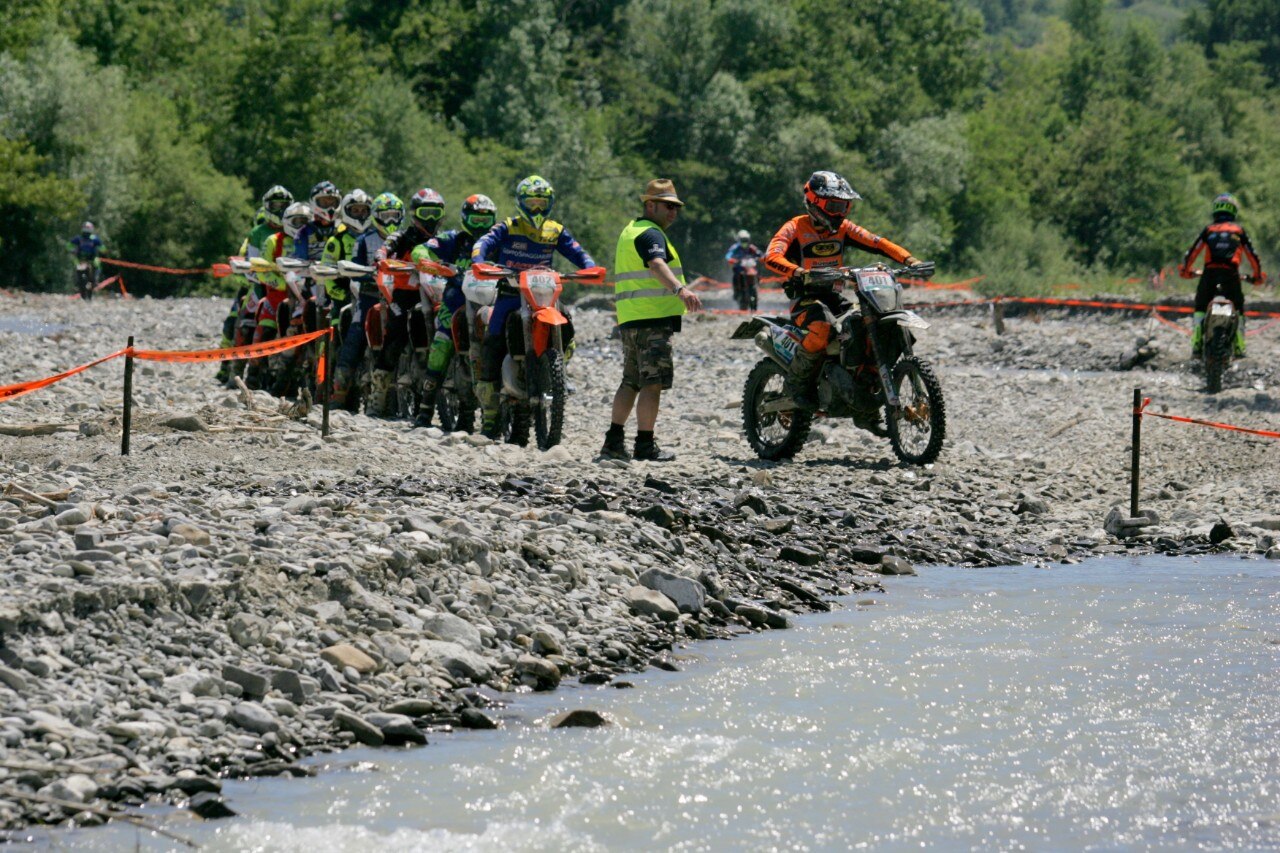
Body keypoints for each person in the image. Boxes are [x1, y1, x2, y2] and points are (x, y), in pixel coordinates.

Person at [763, 170, 924, 413]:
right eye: (835, 206)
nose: (840, 213)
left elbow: (877, 243)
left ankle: (862, 388)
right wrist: (798, 272)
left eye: (845, 206)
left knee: (865, 324)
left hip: (834, 295)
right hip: (805, 298)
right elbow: (771, 256)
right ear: (815, 203)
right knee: (822, 328)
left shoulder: (844, 228)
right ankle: (798, 385)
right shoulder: (795, 227)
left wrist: (910, 260)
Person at [471, 175, 596, 440]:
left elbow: (576, 251)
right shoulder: (508, 226)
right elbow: (484, 243)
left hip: (543, 293)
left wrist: (589, 267)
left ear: (550, 203)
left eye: (542, 202)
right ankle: (491, 414)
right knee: (492, 341)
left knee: (568, 325)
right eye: (532, 202)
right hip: (510, 292)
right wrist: (480, 261)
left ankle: (557, 372)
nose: (537, 208)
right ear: (521, 203)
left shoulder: (555, 230)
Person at [600, 179, 702, 462]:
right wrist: (680, 289)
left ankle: (613, 441)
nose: (673, 212)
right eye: (668, 206)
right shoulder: (651, 234)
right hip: (652, 319)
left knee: (630, 381)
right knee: (652, 382)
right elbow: (656, 265)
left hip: (631, 318)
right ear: (650, 205)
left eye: (676, 208)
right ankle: (645, 445)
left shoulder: (630, 230)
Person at [414, 193, 498, 428]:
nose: (480, 225)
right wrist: (429, 262)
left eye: (485, 220)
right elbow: (423, 249)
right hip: (456, 301)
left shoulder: (497, 240)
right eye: (475, 219)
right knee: (442, 342)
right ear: (465, 218)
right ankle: (426, 407)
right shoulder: (455, 239)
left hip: (490, 300)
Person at [369, 188, 447, 416]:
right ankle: (379, 393)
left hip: (435, 289)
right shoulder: (405, 236)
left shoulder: (443, 239)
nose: (430, 219)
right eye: (426, 213)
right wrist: (381, 256)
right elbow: (386, 246)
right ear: (415, 214)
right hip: (406, 291)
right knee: (396, 332)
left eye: (435, 213)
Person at [333, 191, 401, 408]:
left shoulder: (405, 238)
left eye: (394, 215)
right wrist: (365, 271)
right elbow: (353, 264)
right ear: (376, 215)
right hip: (369, 294)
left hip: (398, 294)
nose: (390, 220)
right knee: (355, 333)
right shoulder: (364, 240)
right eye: (385, 215)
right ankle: (340, 391)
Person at [220, 186, 292, 384]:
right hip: (260, 282)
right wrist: (262, 278)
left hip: (290, 283)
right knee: (245, 321)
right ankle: (237, 370)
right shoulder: (257, 232)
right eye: (276, 205)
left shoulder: (294, 230)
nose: (280, 209)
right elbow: (250, 262)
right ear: (267, 207)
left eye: (284, 205)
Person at [1178, 192, 1265, 357]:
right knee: (1238, 308)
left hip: (1209, 273)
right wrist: (1257, 276)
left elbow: (1192, 253)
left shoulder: (1209, 230)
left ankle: (1196, 340)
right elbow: (1253, 257)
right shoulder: (1238, 231)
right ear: (1233, 211)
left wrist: (1186, 271)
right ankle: (1239, 344)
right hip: (1231, 274)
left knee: (1200, 306)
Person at [245, 201, 311, 391]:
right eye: (296, 221)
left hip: (305, 291)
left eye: (304, 221)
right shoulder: (273, 240)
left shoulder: (312, 239)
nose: (300, 225)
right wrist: (283, 284)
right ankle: (253, 373)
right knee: (265, 326)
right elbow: (262, 270)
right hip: (277, 292)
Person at [67, 221, 104, 299]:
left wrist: (72, 250)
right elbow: (103, 248)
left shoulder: (81, 238)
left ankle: (94, 279)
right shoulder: (86, 238)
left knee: (97, 265)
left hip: (89, 260)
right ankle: (94, 280)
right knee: (95, 267)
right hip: (82, 260)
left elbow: (68, 246)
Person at [725, 229, 760, 305]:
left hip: (750, 268)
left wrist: (762, 258)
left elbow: (760, 254)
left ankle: (757, 286)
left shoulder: (752, 248)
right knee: (736, 275)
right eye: (743, 240)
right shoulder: (735, 247)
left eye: (746, 240)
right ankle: (736, 292)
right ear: (739, 240)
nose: (745, 242)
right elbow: (728, 255)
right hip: (739, 268)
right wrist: (732, 259)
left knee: (757, 273)